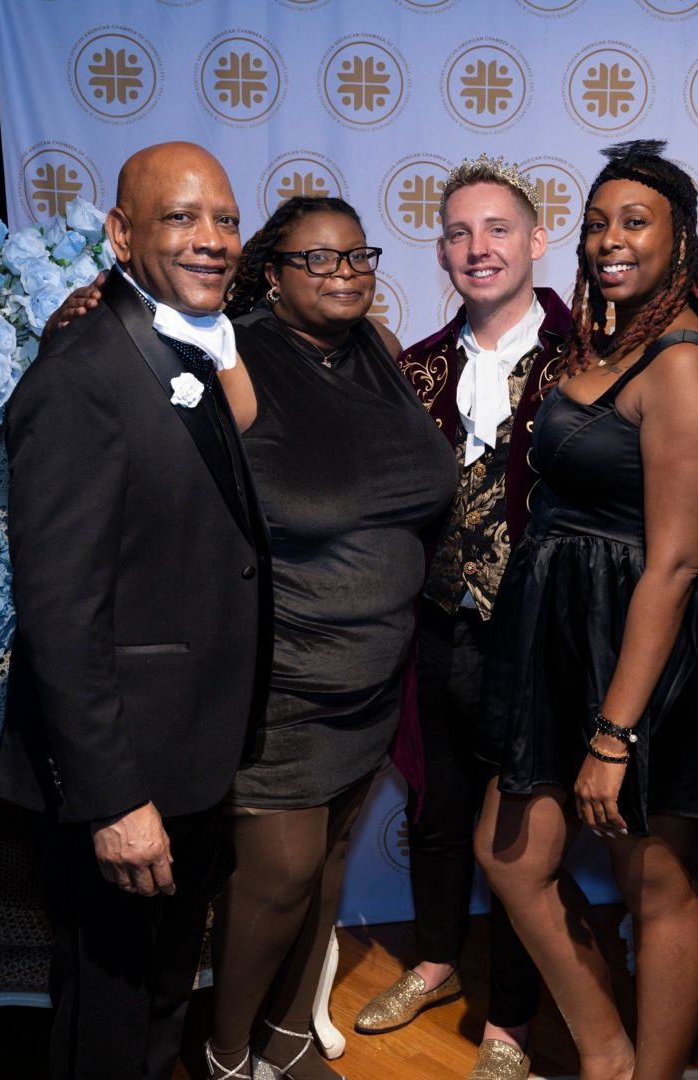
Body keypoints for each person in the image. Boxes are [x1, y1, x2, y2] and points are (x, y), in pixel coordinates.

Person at [45, 196, 456, 1080]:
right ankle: (226, 1053)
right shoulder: (228, 353)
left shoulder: (380, 350)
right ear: (271, 272)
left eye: (358, 256)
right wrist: (80, 311)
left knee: (330, 864)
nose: (344, 273)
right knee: (278, 876)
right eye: (318, 258)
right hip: (282, 675)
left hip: (372, 674)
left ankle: (287, 1035)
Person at [0, 141, 270, 1080]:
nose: (211, 238)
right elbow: (59, 614)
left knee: (158, 1005)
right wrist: (113, 799)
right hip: (123, 777)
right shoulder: (81, 375)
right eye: (180, 217)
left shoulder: (182, 345)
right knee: (105, 1025)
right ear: (119, 233)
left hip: (187, 757)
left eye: (225, 219)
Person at [473, 141, 698, 1080]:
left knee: (654, 879)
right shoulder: (608, 340)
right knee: (511, 858)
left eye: (635, 222)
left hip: (641, 653)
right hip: (561, 633)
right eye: (595, 224)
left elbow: (676, 561)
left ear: (680, 240)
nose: (609, 240)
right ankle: (608, 1054)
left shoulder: (682, 362)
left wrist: (615, 733)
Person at [352, 155, 561, 1080]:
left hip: (537, 639)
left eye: (498, 229)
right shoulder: (417, 367)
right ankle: (436, 962)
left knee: (518, 838)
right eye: (460, 233)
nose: (479, 248)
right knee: (435, 810)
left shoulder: (585, 360)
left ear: (536, 240)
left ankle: (510, 1022)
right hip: (436, 628)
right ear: (441, 252)